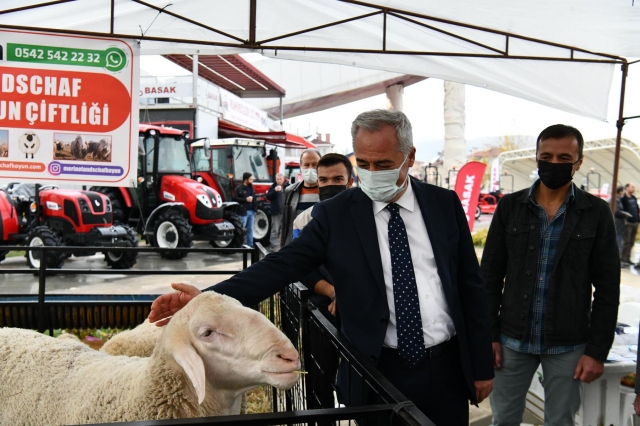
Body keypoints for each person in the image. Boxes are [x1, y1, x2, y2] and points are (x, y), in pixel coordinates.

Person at [149, 109, 494, 425]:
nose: (372, 174)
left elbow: (469, 285)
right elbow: (281, 265)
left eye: (384, 163)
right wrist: (207, 298)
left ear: (410, 157)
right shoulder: (336, 215)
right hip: (377, 370)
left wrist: (479, 366)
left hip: (446, 366)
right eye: (364, 163)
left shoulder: (442, 205)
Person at [482, 124, 620, 426]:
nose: (554, 163)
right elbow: (489, 279)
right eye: (546, 156)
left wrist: (597, 350)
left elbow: (608, 287)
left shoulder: (595, 212)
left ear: (579, 162)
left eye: (563, 157)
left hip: (568, 345)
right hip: (511, 342)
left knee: (561, 421)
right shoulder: (510, 207)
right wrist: (488, 336)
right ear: (536, 157)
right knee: (503, 419)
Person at [294, 153, 355, 322]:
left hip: (360, 306)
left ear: (349, 182)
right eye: (324, 180)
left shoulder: (366, 218)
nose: (330, 185)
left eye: (337, 179)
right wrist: (332, 292)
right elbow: (302, 267)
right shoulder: (303, 221)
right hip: (321, 308)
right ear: (318, 182)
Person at [280, 149, 321, 246]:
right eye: (306, 165)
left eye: (315, 165)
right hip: (296, 247)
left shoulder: (328, 192)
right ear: (301, 166)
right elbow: (286, 224)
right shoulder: (290, 191)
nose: (311, 168)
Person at [233, 172, 255, 247]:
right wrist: (245, 199)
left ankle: (250, 245)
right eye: (250, 179)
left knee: (250, 229)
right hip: (243, 211)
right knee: (242, 229)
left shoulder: (251, 187)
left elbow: (254, 197)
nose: (252, 180)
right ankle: (241, 245)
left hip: (251, 211)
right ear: (246, 180)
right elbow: (235, 198)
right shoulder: (238, 188)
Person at [266, 173, 286, 252]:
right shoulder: (273, 187)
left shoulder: (287, 186)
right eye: (277, 179)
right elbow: (268, 196)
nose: (279, 181)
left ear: (283, 179)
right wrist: (274, 190)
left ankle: (283, 246)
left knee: (284, 229)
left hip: (285, 211)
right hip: (276, 212)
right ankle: (273, 248)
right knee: (275, 230)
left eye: (280, 179)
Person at [621, 183, 639, 267]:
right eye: (632, 187)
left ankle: (627, 258)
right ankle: (623, 258)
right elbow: (621, 210)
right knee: (626, 241)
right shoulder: (623, 199)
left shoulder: (634, 198)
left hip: (635, 222)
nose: (633, 188)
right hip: (628, 222)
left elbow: (636, 208)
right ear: (627, 188)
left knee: (631, 241)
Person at [614, 186, 632, 260]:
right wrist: (625, 214)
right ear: (620, 192)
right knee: (618, 240)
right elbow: (617, 211)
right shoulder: (615, 200)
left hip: (619, 224)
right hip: (617, 223)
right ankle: (617, 258)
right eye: (623, 191)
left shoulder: (618, 200)